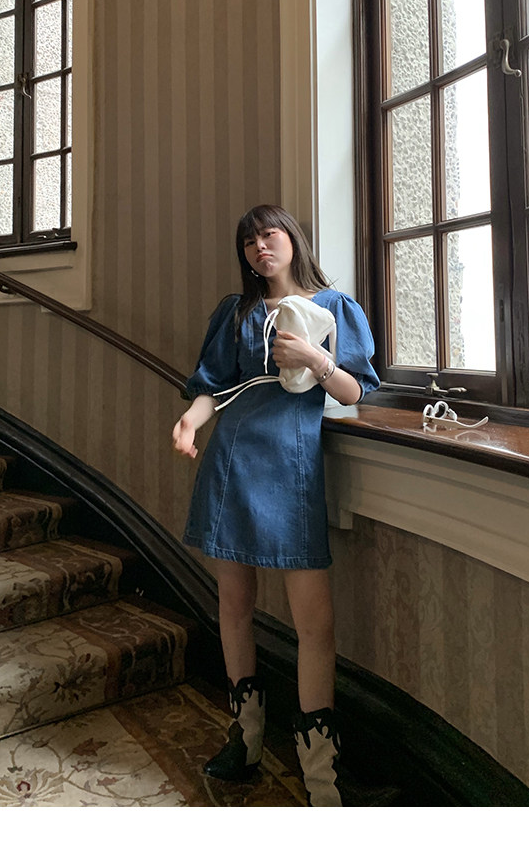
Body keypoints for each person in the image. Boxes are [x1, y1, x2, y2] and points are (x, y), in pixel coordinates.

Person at [172, 204, 380, 806]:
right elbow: (213, 387)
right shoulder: (235, 312)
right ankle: (246, 740)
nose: (259, 247)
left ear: (293, 240)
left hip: (292, 466)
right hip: (233, 459)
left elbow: (354, 391)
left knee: (315, 622)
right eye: (249, 242)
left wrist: (314, 359)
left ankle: (322, 781)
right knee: (234, 605)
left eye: (269, 235)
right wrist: (190, 422)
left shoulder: (335, 307)